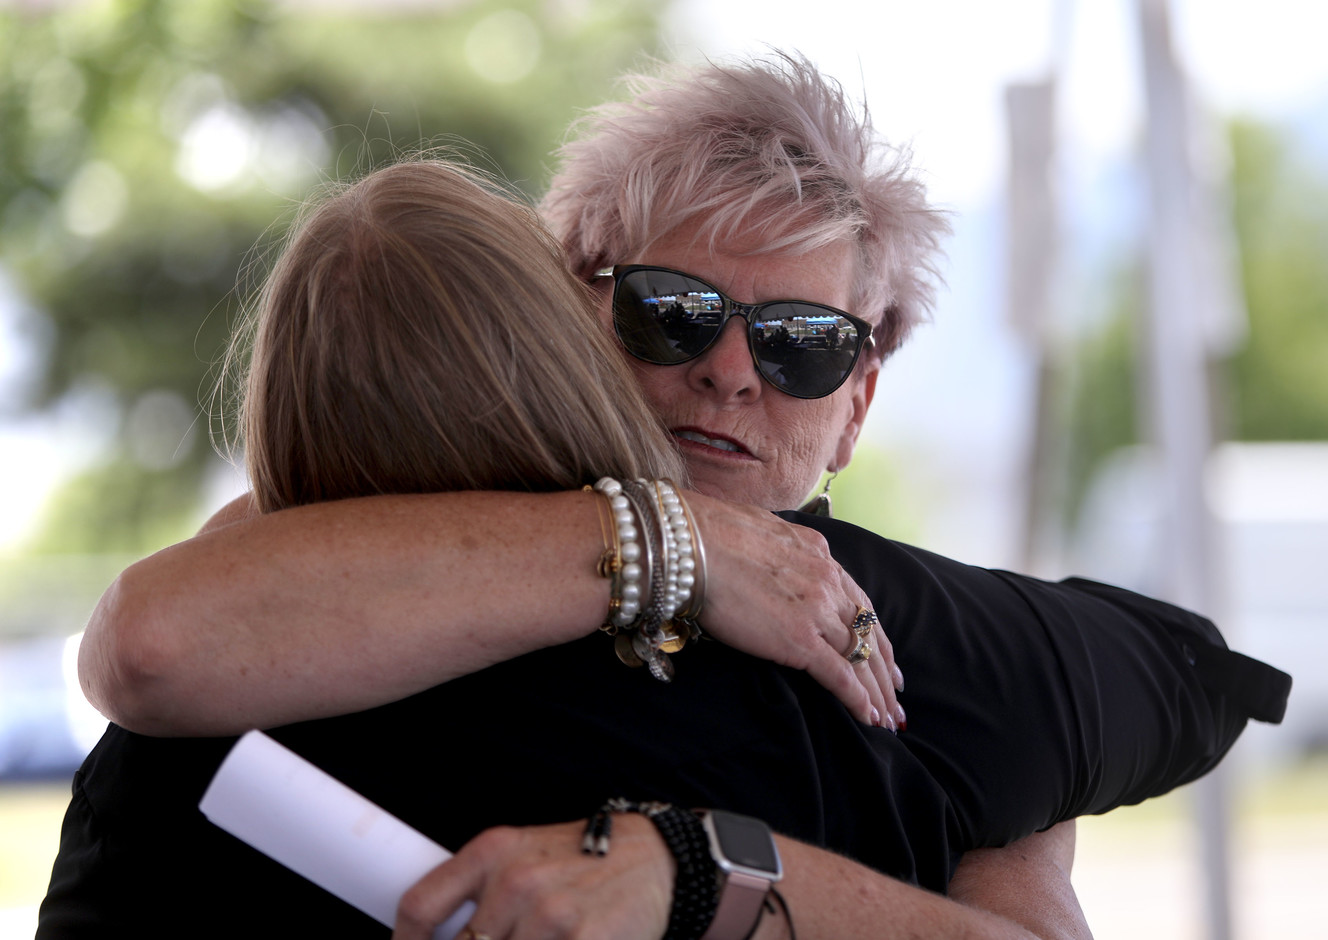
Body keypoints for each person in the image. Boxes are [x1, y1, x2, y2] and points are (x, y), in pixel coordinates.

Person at [48, 55, 1287, 940]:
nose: (731, 370)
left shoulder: (936, 653)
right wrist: (664, 540)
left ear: (857, 402)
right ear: (567, 312)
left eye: (800, 341)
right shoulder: (322, 568)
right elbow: (155, 639)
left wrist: (723, 872)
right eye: (672, 311)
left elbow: (1186, 681)